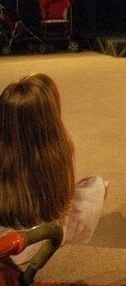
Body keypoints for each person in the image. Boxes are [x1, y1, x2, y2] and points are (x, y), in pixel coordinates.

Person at [0, 73, 107, 268]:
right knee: (98, 187)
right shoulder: (60, 150)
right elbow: (61, 200)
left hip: (7, 244)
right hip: (40, 239)